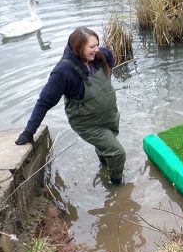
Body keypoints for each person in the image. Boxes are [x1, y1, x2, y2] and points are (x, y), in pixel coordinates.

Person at [15, 27, 126, 184]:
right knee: (118, 153)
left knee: (108, 149)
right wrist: (29, 132)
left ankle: (104, 168)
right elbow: (44, 102)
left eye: (97, 45)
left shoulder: (102, 54)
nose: (97, 49)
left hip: (109, 116)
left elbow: (110, 62)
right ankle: (116, 186)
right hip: (88, 124)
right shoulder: (63, 72)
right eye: (92, 47)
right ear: (79, 47)